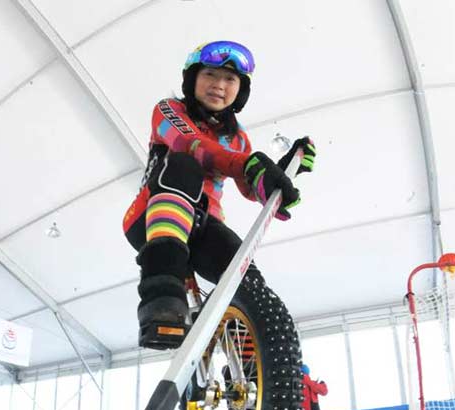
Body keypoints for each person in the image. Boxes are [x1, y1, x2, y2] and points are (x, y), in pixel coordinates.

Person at [122, 40, 317, 349]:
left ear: (240, 90)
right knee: (185, 165)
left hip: (203, 225)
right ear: (193, 79)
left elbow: (247, 186)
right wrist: (249, 166)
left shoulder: (238, 139)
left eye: (230, 80)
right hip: (153, 214)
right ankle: (161, 301)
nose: (219, 86)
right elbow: (191, 145)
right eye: (211, 75)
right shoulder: (169, 110)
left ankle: (250, 359)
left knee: (248, 278)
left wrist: (277, 175)